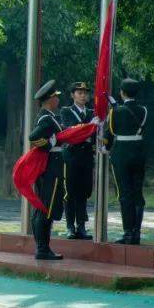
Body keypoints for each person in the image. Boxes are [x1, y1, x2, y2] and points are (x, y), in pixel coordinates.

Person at [107, 78, 148, 245]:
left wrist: (115, 109)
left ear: (122, 93)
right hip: (138, 152)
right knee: (137, 192)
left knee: (124, 194)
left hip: (122, 152)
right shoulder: (144, 110)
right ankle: (136, 232)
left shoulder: (116, 111)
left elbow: (112, 130)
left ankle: (128, 232)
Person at [28, 80, 66, 260]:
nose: (58, 99)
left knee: (44, 207)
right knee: (46, 207)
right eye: (55, 97)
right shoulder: (46, 118)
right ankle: (42, 248)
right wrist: (49, 144)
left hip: (51, 164)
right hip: (50, 166)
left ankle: (43, 247)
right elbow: (34, 137)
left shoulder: (48, 116)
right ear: (50, 99)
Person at [60, 82, 95, 239]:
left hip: (86, 157)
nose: (83, 95)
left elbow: (95, 135)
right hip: (72, 156)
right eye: (79, 92)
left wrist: (88, 130)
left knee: (83, 192)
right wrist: (88, 128)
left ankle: (81, 226)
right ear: (72, 95)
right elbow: (70, 130)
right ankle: (70, 226)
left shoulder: (92, 113)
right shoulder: (66, 111)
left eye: (85, 92)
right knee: (70, 192)